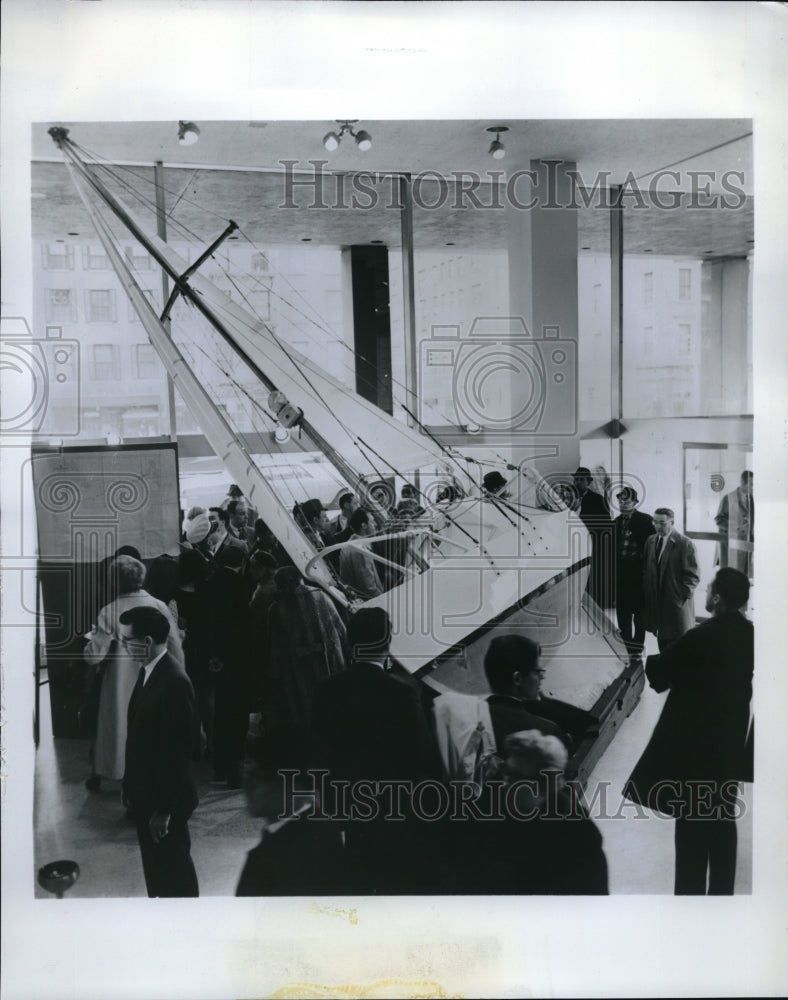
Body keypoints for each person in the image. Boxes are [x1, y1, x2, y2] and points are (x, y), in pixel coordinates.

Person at [623, 568, 753, 895]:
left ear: (718, 597)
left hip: (696, 751)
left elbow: (662, 673)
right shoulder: (750, 634)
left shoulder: (701, 636)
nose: (706, 593)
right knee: (723, 821)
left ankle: (690, 904)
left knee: (693, 830)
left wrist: (636, 657)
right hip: (728, 747)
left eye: (710, 589)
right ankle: (722, 897)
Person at [310, 607, 441, 893]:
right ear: (387, 643)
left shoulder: (326, 690)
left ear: (350, 641)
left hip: (346, 805)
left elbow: (318, 754)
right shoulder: (402, 692)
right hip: (392, 809)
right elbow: (420, 756)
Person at [459, 729, 609, 894]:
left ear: (545, 785)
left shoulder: (578, 838)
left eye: (516, 778)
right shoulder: (489, 808)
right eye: (506, 772)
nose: (504, 783)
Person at [83, 555, 183, 793]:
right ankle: (144, 788)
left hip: (120, 684)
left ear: (113, 582)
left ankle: (119, 778)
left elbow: (94, 656)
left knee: (120, 732)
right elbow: (175, 646)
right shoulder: (158, 606)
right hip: (156, 679)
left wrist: (89, 643)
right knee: (151, 734)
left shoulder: (109, 611)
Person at [119, 605, 199, 897]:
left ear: (147, 642)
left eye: (127, 640)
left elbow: (177, 754)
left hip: (164, 802)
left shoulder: (174, 682)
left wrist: (164, 810)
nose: (124, 646)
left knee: (174, 874)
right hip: (148, 795)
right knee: (158, 871)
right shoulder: (150, 672)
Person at [267, 566, 348, 767]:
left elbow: (275, 646)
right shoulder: (320, 596)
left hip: (298, 671)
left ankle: (316, 758)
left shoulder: (277, 608)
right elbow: (340, 628)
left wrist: (276, 673)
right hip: (329, 663)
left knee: (306, 713)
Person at [484, 634, 594, 754]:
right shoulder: (546, 735)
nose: (542, 676)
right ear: (517, 679)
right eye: (537, 671)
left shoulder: (478, 720)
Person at [643, 507, 700, 651]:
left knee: (678, 645)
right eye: (654, 522)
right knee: (662, 642)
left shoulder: (685, 543)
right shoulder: (650, 541)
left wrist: (680, 597)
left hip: (675, 603)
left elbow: (693, 576)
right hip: (657, 603)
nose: (657, 526)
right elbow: (646, 569)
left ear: (672, 522)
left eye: (662, 523)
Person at [613, 486, 656, 660]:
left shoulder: (646, 521)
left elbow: (652, 547)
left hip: (638, 573)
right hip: (621, 572)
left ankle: (637, 648)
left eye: (627, 500)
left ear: (635, 502)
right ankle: (626, 646)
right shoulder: (615, 522)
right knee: (622, 612)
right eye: (621, 500)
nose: (623, 504)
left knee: (639, 613)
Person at [571, 466, 614, 607]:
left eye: (581, 480)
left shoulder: (597, 500)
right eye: (576, 479)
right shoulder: (567, 499)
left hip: (592, 546)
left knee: (591, 578)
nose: (578, 482)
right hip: (572, 547)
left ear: (588, 482)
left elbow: (606, 525)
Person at [338, 508, 384, 599]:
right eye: (372, 522)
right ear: (364, 525)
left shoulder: (349, 545)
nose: (375, 525)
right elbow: (369, 589)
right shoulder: (361, 551)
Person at [715, 470, 754, 577]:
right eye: (751, 484)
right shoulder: (728, 498)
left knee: (743, 577)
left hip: (746, 545)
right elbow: (719, 519)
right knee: (730, 577)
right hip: (731, 546)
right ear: (742, 482)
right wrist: (735, 525)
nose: (753, 487)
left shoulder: (752, 499)